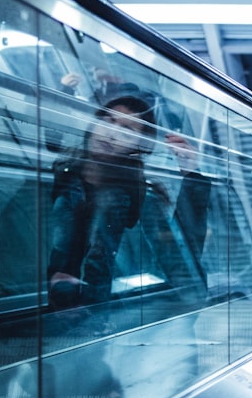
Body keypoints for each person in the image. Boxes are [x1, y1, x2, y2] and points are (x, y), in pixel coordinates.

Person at [47, 89, 211, 313]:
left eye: (126, 130)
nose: (111, 134)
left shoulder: (142, 196)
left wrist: (191, 175)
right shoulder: (60, 174)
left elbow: (179, 259)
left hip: (109, 314)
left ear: (138, 148)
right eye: (107, 121)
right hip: (48, 309)